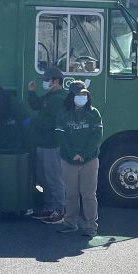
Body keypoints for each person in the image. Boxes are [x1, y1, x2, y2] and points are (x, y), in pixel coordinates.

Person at [54, 81, 103, 236]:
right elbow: (60, 135)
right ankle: (70, 223)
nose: (82, 97)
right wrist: (71, 154)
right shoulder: (63, 113)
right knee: (71, 194)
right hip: (68, 160)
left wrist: (84, 154)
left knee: (89, 194)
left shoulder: (94, 113)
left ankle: (91, 227)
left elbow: (97, 136)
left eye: (84, 94)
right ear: (71, 96)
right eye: (78, 94)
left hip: (89, 160)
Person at [26, 66, 67, 224]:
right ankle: (50, 207)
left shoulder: (59, 99)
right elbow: (37, 105)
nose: (45, 83)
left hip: (52, 144)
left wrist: (31, 120)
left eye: (46, 80)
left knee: (54, 178)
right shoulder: (50, 96)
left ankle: (59, 210)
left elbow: (49, 122)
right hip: (43, 143)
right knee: (44, 177)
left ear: (55, 81)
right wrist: (31, 92)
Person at [0, 83, 30, 151]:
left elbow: (28, 120)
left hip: (17, 148)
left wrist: (21, 126)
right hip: (0, 146)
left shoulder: (16, 106)